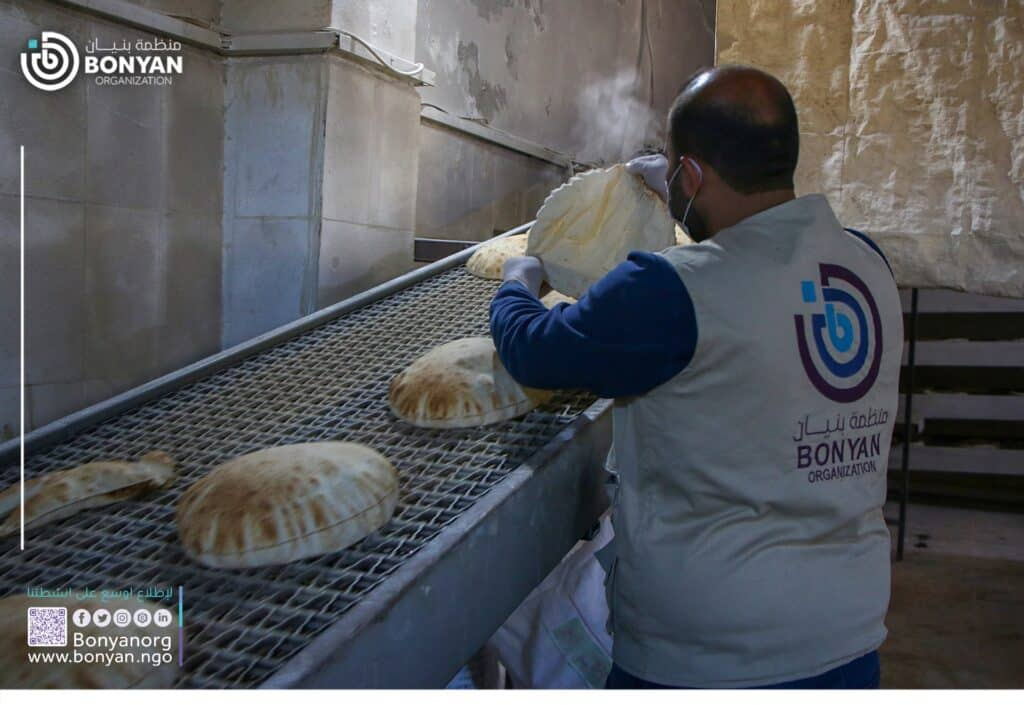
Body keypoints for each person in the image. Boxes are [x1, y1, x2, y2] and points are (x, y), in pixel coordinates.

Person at [489, 65, 903, 689]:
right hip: (847, 634)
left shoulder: (672, 288)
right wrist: (678, 181)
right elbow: (755, 267)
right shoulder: (868, 268)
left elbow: (535, 351)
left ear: (694, 174)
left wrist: (518, 281)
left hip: (711, 654)